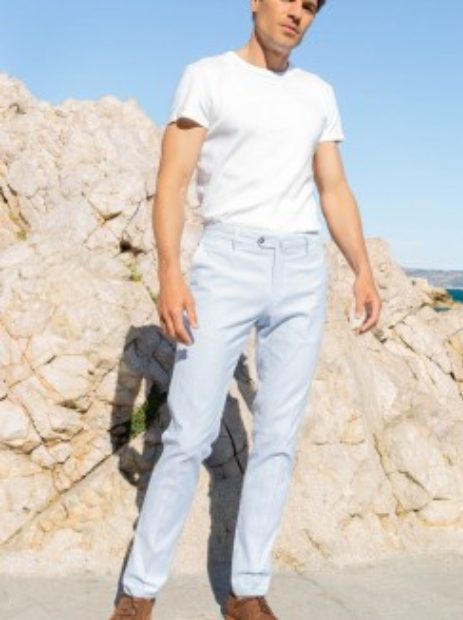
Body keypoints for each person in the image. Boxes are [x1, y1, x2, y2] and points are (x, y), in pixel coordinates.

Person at [109, 0, 382, 618]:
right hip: (227, 263)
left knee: (279, 438)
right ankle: (138, 593)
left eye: (311, 7)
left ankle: (247, 590)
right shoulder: (208, 77)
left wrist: (362, 267)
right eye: (289, 0)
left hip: (301, 268)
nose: (298, 14)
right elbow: (173, 180)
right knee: (188, 434)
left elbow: (333, 187)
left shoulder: (317, 93)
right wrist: (170, 272)